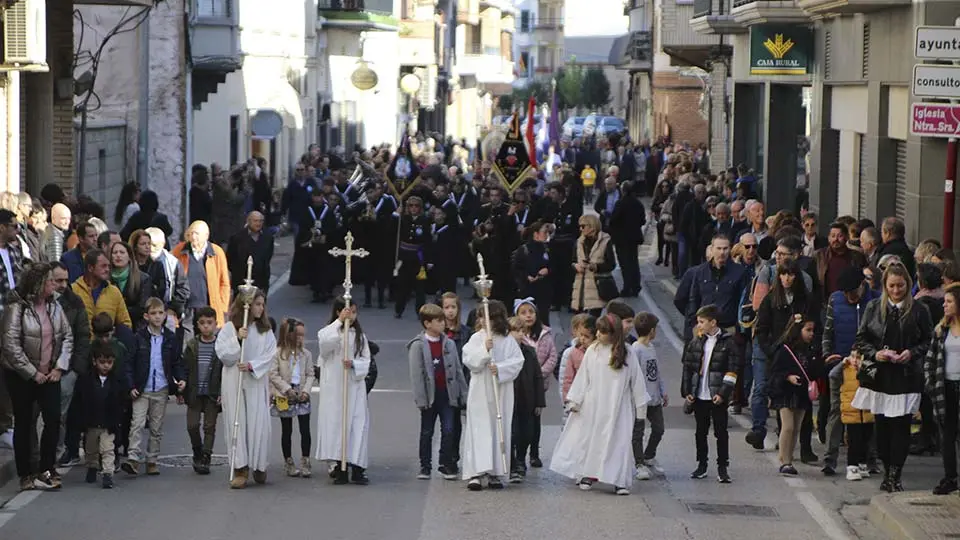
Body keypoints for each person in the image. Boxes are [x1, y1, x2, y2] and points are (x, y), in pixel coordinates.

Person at [853, 263, 933, 492]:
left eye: (901, 286)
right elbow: (861, 338)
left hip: (906, 376)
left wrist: (912, 353)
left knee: (901, 427)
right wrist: (876, 353)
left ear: (908, 285)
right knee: (882, 428)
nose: (897, 290)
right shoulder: (872, 308)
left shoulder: (919, 310)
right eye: (892, 286)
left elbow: (928, 340)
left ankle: (895, 474)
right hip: (880, 375)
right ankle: (887, 470)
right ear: (885, 286)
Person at [550, 313, 650, 495]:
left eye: (602, 332)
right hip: (593, 405)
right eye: (597, 331)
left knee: (618, 442)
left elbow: (637, 382)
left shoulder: (627, 353)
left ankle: (619, 480)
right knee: (591, 440)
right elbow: (583, 378)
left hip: (618, 407)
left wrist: (641, 409)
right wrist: (574, 400)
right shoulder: (593, 350)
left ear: (613, 334)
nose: (597, 335)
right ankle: (588, 473)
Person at [1, 262, 74, 491]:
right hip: (22, 375)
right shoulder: (17, 308)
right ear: (40, 283)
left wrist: (59, 367)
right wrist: (32, 373)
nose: (55, 285)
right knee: (24, 423)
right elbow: (10, 345)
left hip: (49, 373)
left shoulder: (55, 307)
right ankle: (26, 474)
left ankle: (46, 467)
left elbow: (67, 337)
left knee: (53, 419)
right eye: (51, 281)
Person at [461, 299, 525, 491]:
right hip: (481, 390)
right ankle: (476, 472)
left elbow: (517, 361)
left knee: (498, 428)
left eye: (486, 317)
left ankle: (495, 472)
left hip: (501, 391)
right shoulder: (476, 339)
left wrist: (501, 368)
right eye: (481, 317)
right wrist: (484, 351)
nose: (482, 321)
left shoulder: (508, 341)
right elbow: (469, 360)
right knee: (480, 428)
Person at [216, 289, 277, 488]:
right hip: (234, 382)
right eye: (257, 304)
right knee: (238, 422)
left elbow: (270, 355)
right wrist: (238, 340)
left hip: (255, 383)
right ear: (246, 306)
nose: (261, 308)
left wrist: (252, 365)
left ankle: (259, 464)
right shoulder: (229, 329)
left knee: (257, 422)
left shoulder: (265, 331)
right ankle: (240, 467)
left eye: (262, 304)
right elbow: (224, 355)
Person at [122, 297, 185, 476]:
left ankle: (152, 459)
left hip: (161, 388)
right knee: (137, 423)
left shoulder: (170, 338)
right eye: (153, 313)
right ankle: (133, 457)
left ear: (165, 315)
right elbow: (129, 363)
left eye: (160, 313)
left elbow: (176, 362)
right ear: (146, 316)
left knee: (156, 427)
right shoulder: (139, 338)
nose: (157, 317)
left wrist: (180, 379)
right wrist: (131, 385)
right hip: (143, 388)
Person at [681, 304, 741, 483]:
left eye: (701, 322)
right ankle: (701, 465)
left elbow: (732, 371)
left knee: (721, 432)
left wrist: (723, 393)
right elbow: (688, 368)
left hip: (717, 396)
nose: (698, 325)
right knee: (700, 431)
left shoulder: (728, 343)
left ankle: (723, 467)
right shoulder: (695, 342)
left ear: (713, 322)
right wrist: (687, 392)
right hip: (700, 395)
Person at [316, 297, 372, 485]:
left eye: (354, 312)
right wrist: (340, 322)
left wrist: (355, 364)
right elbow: (324, 347)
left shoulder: (359, 336)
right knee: (337, 426)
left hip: (354, 388)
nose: (351, 316)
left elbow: (367, 360)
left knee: (357, 425)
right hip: (335, 388)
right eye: (348, 312)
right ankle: (340, 467)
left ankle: (357, 468)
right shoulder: (331, 332)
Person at [408, 303, 467, 481]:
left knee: (449, 429)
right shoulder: (418, 345)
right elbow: (416, 375)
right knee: (427, 431)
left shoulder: (448, 343)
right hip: (429, 396)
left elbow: (457, 370)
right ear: (427, 324)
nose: (443, 324)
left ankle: (445, 463)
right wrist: (420, 399)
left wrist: (462, 394)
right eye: (439, 321)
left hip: (448, 394)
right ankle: (425, 465)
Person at [767, 313, 822, 476]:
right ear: (798, 329)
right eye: (808, 330)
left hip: (802, 393)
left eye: (813, 330)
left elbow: (813, 371)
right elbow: (774, 370)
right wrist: (787, 377)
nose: (811, 333)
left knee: (796, 428)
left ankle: (788, 455)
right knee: (788, 426)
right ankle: (786, 462)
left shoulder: (811, 349)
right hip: (786, 392)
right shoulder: (784, 349)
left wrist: (823, 364)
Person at [923, 286, 960, 495]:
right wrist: (930, 381)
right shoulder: (941, 330)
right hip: (944, 386)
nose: (944, 305)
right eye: (944, 301)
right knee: (947, 433)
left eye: (949, 301)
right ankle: (949, 477)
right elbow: (931, 357)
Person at [73, 342, 124, 489]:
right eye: (102, 362)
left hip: (109, 423)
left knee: (108, 449)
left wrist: (118, 420)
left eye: (109, 362)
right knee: (91, 449)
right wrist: (80, 421)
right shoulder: (85, 380)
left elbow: (120, 402)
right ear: (94, 362)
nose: (106, 366)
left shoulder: (116, 381)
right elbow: (79, 402)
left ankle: (108, 473)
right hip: (91, 422)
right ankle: (92, 466)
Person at [270, 317, 315, 478]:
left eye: (303, 335)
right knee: (286, 429)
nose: (301, 339)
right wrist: (286, 389)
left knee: (305, 429)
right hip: (286, 393)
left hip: (301, 390)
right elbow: (273, 374)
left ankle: (305, 459)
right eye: (297, 335)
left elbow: (311, 374)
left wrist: (306, 391)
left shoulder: (306, 354)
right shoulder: (279, 354)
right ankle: (288, 460)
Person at [513, 297, 556, 468]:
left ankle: (534, 453)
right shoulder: (517, 337)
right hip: (520, 385)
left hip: (538, 385)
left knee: (535, 420)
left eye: (531, 312)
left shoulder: (545, 334)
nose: (528, 316)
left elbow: (552, 356)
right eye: (523, 313)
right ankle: (520, 454)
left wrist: (540, 372)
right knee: (523, 421)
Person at [180, 306, 222, 475]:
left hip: (212, 393)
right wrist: (182, 389)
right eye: (203, 323)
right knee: (192, 425)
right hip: (194, 392)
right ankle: (197, 449)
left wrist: (221, 391)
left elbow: (224, 371)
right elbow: (185, 368)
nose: (206, 327)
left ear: (215, 324)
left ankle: (206, 456)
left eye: (210, 323)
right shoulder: (192, 346)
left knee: (209, 426)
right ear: (197, 324)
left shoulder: (220, 346)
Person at [506, 316, 546, 483]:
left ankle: (521, 457)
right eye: (516, 331)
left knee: (527, 433)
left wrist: (539, 402)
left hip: (527, 398)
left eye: (523, 331)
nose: (520, 334)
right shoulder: (505, 352)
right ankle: (514, 463)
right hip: (510, 399)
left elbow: (538, 376)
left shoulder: (529, 351)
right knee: (513, 433)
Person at [172, 220, 232, 330]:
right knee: (187, 343)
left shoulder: (216, 252)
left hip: (209, 308)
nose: (194, 237)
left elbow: (224, 283)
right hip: (187, 309)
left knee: (208, 343)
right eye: (191, 233)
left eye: (197, 234)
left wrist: (222, 307)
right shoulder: (179, 250)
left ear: (206, 235)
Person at [632, 312, 667, 480]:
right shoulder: (636, 350)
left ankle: (649, 455)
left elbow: (657, 372)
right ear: (652, 330)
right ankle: (639, 463)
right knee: (638, 431)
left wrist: (662, 390)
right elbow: (635, 375)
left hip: (654, 398)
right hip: (640, 399)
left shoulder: (651, 348)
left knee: (659, 428)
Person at [71, 249, 133, 331]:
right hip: (81, 342)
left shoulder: (114, 292)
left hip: (107, 341)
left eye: (109, 266)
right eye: (103, 266)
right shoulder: (73, 290)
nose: (107, 269)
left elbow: (126, 324)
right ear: (90, 268)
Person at [838, 351, 876, 481]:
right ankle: (852, 465)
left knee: (866, 439)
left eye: (858, 357)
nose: (855, 360)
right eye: (852, 356)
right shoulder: (844, 369)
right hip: (851, 410)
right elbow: (832, 375)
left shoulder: (869, 369)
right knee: (854, 440)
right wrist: (841, 364)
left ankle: (862, 463)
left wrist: (863, 368)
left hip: (867, 411)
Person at [571, 214, 615, 317]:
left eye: (583, 226)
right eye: (580, 226)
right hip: (580, 287)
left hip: (597, 287)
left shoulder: (605, 241)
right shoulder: (579, 242)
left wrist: (596, 267)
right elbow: (572, 260)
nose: (581, 229)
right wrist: (575, 266)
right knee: (581, 321)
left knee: (593, 320)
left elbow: (611, 264)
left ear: (592, 226)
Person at [110, 241, 152, 326]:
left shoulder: (143, 278)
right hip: (111, 325)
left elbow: (142, 308)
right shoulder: (105, 278)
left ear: (129, 257)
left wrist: (120, 312)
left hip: (136, 325)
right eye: (115, 252)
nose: (118, 255)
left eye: (122, 252)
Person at [562, 314, 596, 401]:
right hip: (577, 397)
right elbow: (567, 379)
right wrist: (566, 400)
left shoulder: (598, 354)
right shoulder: (573, 353)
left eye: (587, 336)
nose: (583, 339)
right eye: (581, 335)